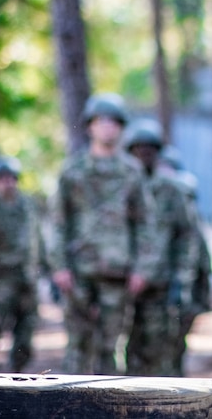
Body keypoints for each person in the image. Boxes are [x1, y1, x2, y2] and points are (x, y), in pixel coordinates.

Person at [50, 92, 156, 374]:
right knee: (77, 346)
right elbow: (59, 222)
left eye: (114, 122)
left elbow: (145, 224)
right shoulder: (72, 170)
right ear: (90, 126)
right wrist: (59, 266)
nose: (107, 127)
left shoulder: (132, 172)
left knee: (110, 347)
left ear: (121, 128)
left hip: (117, 273)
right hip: (78, 271)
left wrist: (142, 269)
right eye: (101, 121)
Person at [123, 119, 193, 376]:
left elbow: (186, 235)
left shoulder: (171, 190)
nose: (143, 155)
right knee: (123, 348)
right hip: (122, 281)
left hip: (160, 285)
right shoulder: (120, 186)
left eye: (149, 149)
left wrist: (181, 280)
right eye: (138, 149)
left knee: (161, 349)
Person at [0, 156, 47, 372]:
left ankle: (17, 373)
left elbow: (37, 239)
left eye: (12, 179)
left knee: (26, 329)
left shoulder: (27, 206)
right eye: (3, 179)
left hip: (27, 278)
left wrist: (46, 268)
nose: (8, 183)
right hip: (0, 280)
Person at [158, 144, 212, 376]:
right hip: (158, 283)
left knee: (175, 345)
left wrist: (200, 299)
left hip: (182, 290)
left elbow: (202, 262)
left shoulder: (192, 222)